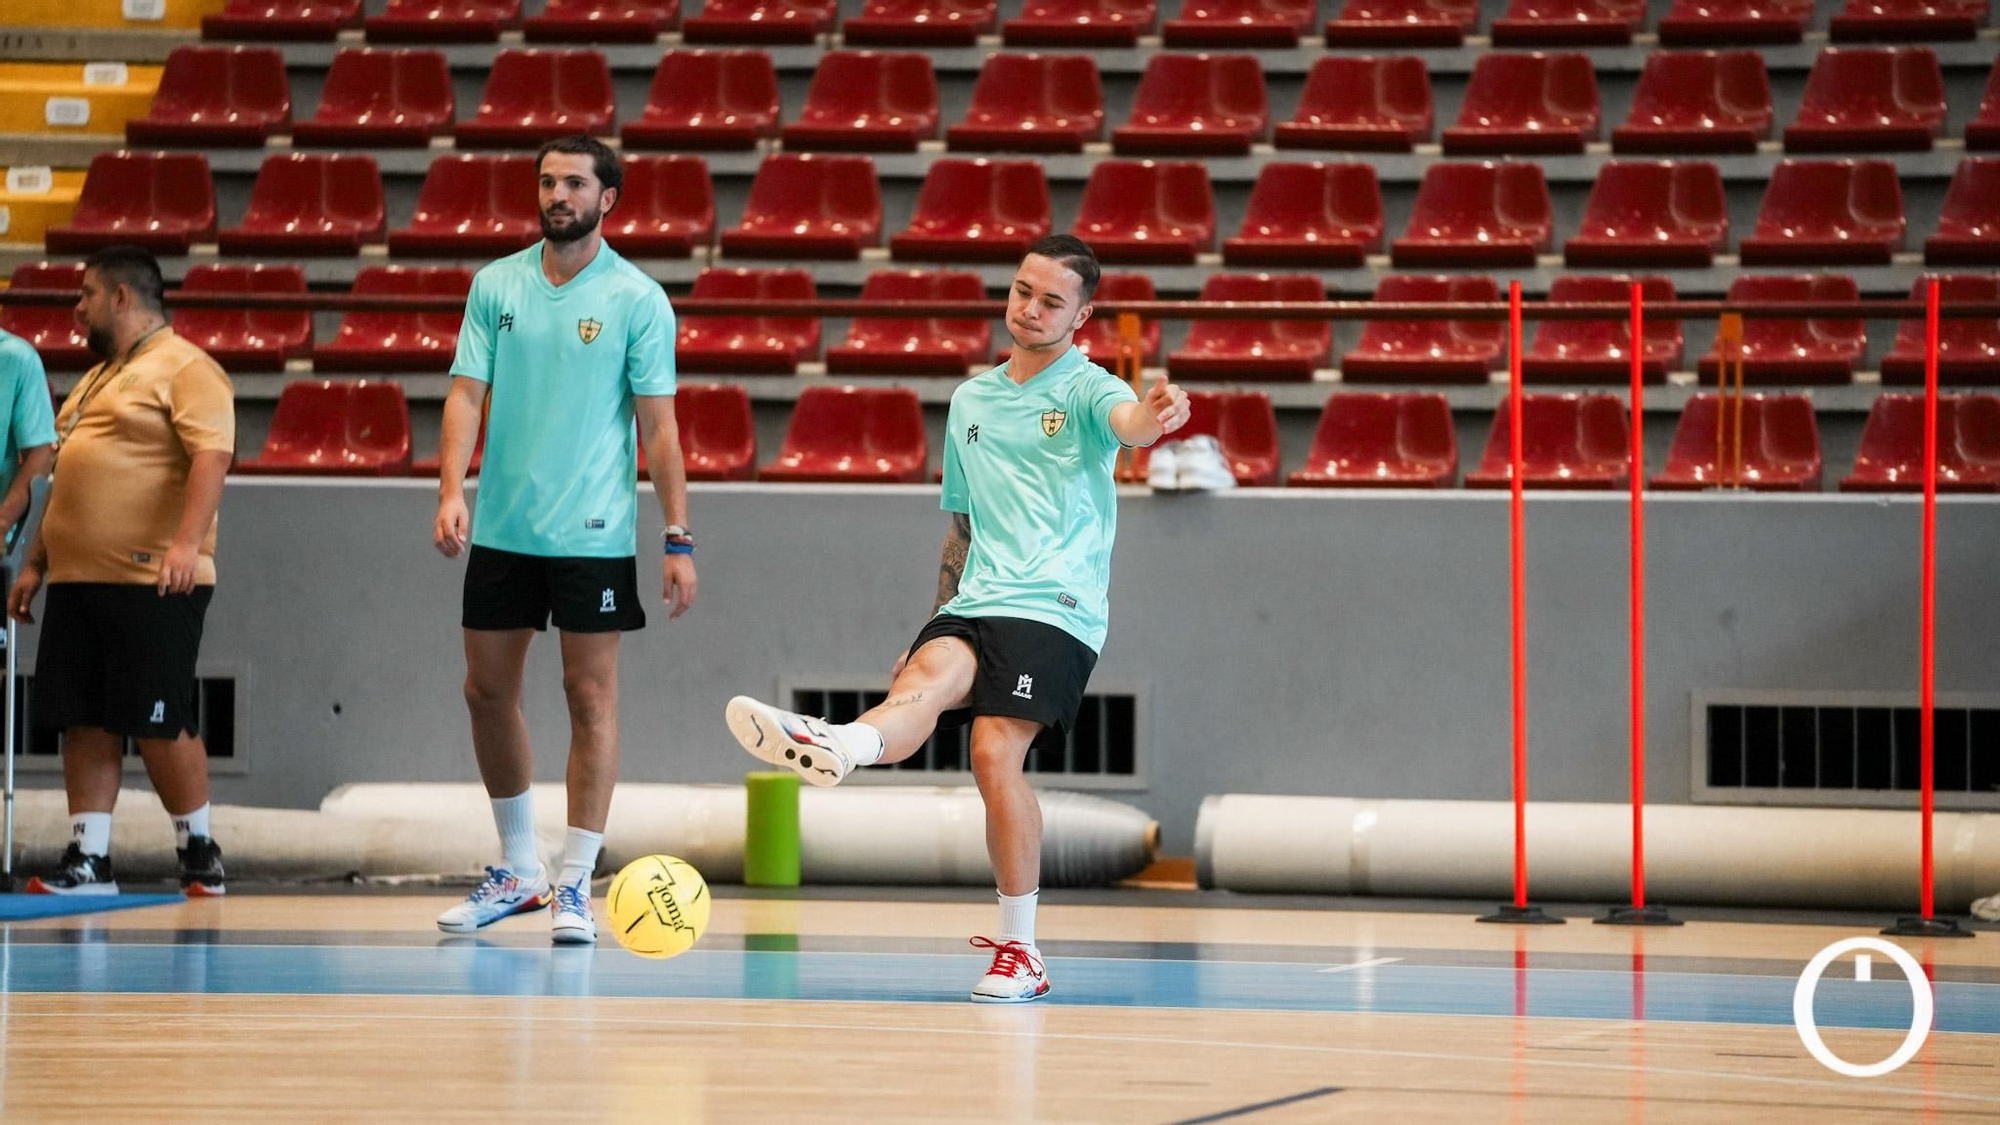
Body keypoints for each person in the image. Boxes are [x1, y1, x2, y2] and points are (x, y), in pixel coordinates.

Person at [725, 235, 1190, 1002]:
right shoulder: (972, 401)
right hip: (977, 596)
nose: (1030, 309)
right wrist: (933, 622)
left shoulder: (1088, 388)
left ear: (1082, 316)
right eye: (1022, 291)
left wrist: (1155, 415)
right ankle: (842, 742)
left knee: (991, 750)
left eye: (1051, 301)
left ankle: (1022, 951)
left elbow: (1131, 422)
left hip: (1055, 605)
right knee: (920, 687)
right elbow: (961, 529)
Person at [431, 134, 696, 945]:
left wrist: (677, 535)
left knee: (590, 698)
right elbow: (465, 395)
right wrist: (451, 489)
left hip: (593, 535)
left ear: (607, 199)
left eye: (575, 183)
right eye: (547, 181)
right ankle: (520, 869)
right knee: (485, 691)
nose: (557, 195)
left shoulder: (638, 298)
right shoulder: (495, 285)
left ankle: (575, 880)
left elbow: (659, 428)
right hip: (504, 529)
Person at [10, 245, 234, 896]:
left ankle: (198, 847)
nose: (77, 308)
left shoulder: (186, 367)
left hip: (151, 577)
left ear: (120, 297)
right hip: (78, 581)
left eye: (86, 294)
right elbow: (66, 484)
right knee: (82, 717)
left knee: (159, 717)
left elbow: (212, 455)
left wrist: (186, 544)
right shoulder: (96, 379)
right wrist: (35, 564)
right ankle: (90, 858)